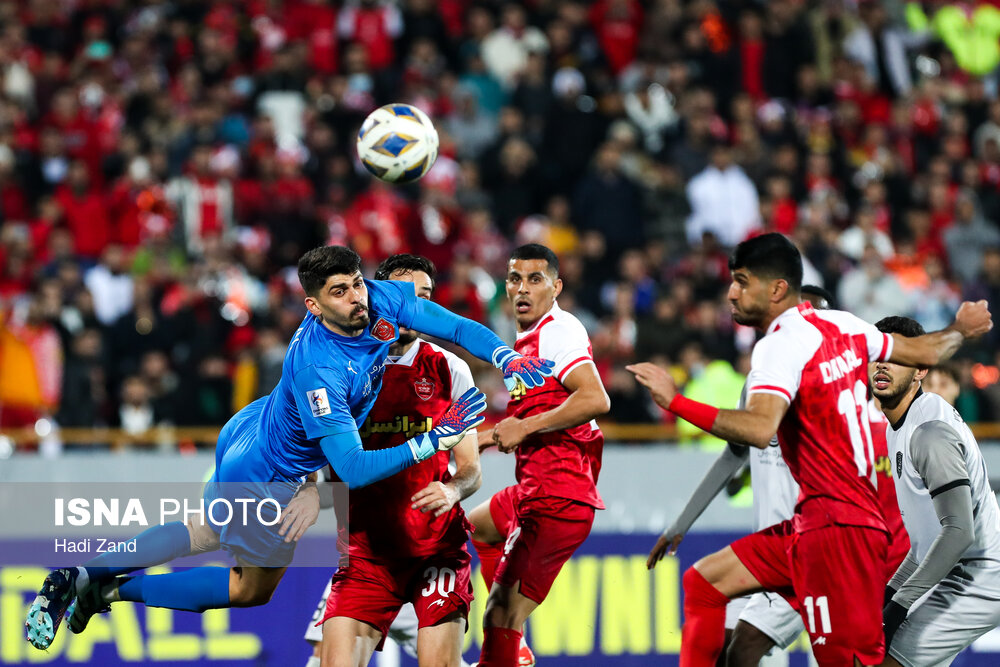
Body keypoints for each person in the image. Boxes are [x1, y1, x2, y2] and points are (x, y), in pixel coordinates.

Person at [26, 245, 554, 651]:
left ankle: (85, 574)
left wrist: (505, 357)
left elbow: (454, 325)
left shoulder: (376, 297)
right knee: (247, 589)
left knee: (203, 529)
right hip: (267, 473)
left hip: (254, 423)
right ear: (312, 304)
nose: (356, 300)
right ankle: (102, 586)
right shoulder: (320, 368)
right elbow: (352, 465)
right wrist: (433, 439)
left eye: (356, 285)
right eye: (340, 293)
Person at [628, 233, 992, 666]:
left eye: (742, 282)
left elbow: (761, 429)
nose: (731, 292)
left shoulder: (778, 348)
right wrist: (961, 330)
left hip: (835, 532)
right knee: (704, 584)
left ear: (777, 288)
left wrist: (676, 401)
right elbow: (926, 348)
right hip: (811, 524)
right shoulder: (845, 326)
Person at [652, 285, 909, 667]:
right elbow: (733, 457)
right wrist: (681, 523)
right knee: (730, 643)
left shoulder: (850, 393)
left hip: (822, 547)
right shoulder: (761, 385)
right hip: (778, 550)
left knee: (746, 649)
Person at [302, 254, 479, 667]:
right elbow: (318, 462)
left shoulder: (450, 368)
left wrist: (453, 489)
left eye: (426, 297)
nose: (417, 308)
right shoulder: (338, 366)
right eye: (407, 296)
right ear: (377, 295)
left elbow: (471, 470)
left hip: (436, 551)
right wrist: (308, 490)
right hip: (367, 556)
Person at [468, 244, 610, 667]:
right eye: (515, 279)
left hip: (556, 497)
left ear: (556, 287)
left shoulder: (557, 330)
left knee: (498, 615)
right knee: (475, 528)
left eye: (535, 279)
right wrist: (487, 437)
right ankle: (518, 647)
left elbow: (595, 398)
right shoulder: (526, 342)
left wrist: (523, 428)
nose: (523, 289)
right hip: (534, 489)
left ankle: (512, 647)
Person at [870, 316, 1000, 667]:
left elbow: (958, 532)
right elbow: (924, 543)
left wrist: (896, 606)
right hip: (958, 569)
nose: (882, 364)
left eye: (897, 356)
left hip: (980, 575)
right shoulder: (897, 426)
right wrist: (890, 595)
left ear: (921, 370)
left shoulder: (928, 432)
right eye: (877, 353)